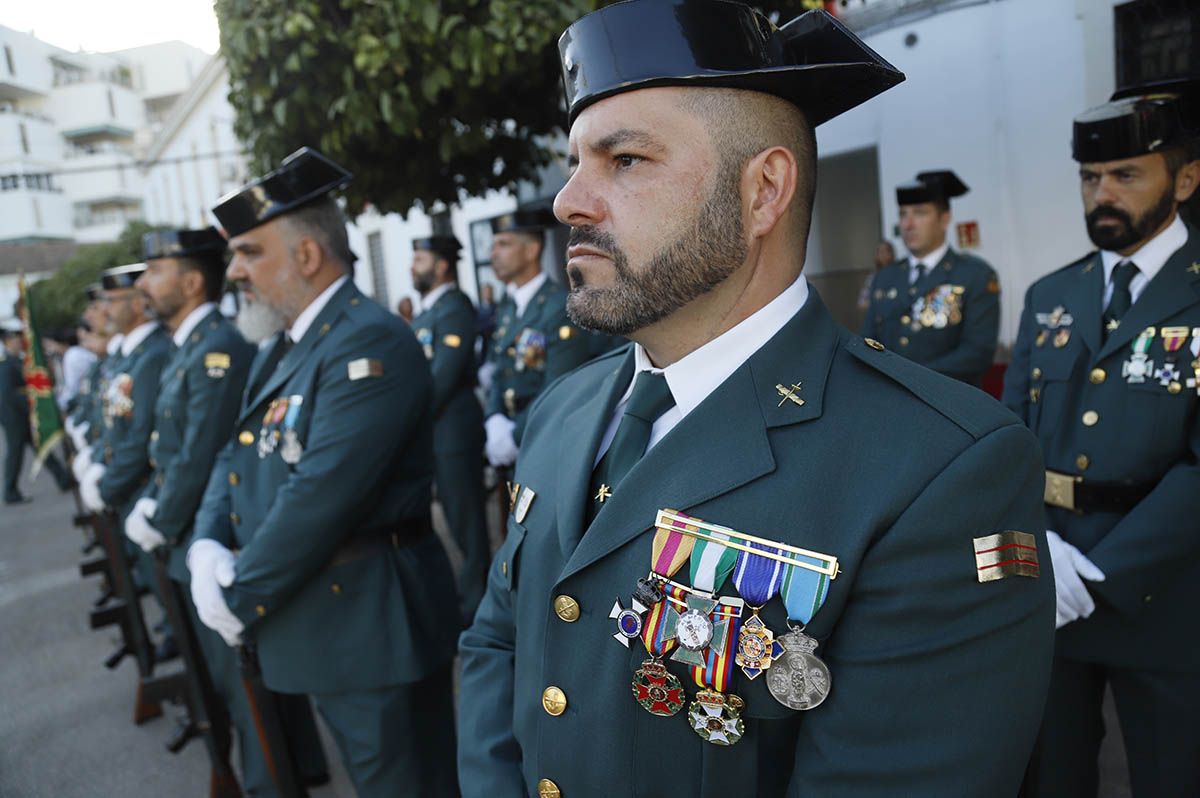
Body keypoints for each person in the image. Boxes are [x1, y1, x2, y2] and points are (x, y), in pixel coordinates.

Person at [458, 3, 1055, 796]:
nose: (569, 202)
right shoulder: (565, 409)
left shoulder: (939, 470)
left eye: (625, 159)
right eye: (575, 162)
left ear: (764, 190)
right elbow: (501, 643)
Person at [188, 147, 460, 797]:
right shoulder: (287, 345)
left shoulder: (367, 340)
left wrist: (238, 591)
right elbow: (235, 452)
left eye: (249, 253)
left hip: (370, 628)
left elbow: (321, 495)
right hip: (323, 618)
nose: (235, 272)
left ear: (306, 256)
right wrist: (205, 544)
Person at [1003, 80, 1200, 798]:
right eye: (1090, 178)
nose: (1101, 195)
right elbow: (1012, 441)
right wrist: (1039, 549)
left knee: (1172, 773)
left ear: (1184, 178)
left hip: (1167, 591)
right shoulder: (1051, 295)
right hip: (1049, 582)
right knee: (1050, 773)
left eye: (1124, 175)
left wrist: (1103, 574)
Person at [123, 227, 329, 793]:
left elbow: (203, 452)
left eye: (154, 270)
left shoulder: (218, 344)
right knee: (229, 686)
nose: (144, 283)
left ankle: (276, 779)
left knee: (247, 693)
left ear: (191, 280)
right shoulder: (193, 344)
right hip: (194, 536)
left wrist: (167, 520)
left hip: (207, 535)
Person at [410, 235, 490, 623]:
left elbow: (443, 374)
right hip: (436, 432)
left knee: (467, 522)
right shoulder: (427, 312)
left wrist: (412, 416)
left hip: (453, 430)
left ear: (441, 265)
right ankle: (468, 596)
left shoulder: (453, 307)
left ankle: (479, 605)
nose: (414, 265)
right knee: (456, 523)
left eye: (421, 258)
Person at [862, 171, 1000, 385]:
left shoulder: (974, 275)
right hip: (890, 403)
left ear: (944, 219)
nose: (908, 224)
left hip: (949, 405)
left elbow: (977, 353)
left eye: (919, 213)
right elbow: (869, 343)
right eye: (903, 214)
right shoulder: (885, 278)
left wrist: (908, 380)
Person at [483, 209, 592, 469]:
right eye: (493, 245)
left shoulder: (557, 307)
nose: (493, 254)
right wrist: (494, 418)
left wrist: (515, 435)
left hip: (543, 441)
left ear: (532, 250)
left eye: (504, 244)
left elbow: (557, 387)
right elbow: (500, 371)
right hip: (510, 434)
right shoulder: (509, 307)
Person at [77, 263, 172, 522]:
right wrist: (98, 460)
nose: (104, 310)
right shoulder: (133, 355)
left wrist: (108, 485)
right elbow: (113, 420)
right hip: (127, 485)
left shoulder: (153, 355)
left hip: (140, 486)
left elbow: (140, 434)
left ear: (138, 304)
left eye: (111, 301)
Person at [0, 325, 72, 503]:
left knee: (42, 446)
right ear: (8, 342)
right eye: (16, 339)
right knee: (16, 454)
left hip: (22, 416)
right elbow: (10, 395)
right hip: (14, 418)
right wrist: (32, 409)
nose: (19, 342)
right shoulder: (6, 364)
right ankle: (10, 491)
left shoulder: (16, 360)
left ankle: (63, 479)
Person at [856, 239, 895, 313]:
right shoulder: (872, 278)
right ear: (877, 256)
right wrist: (878, 303)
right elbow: (861, 303)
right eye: (881, 252)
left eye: (887, 251)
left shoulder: (899, 274)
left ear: (892, 254)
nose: (884, 255)